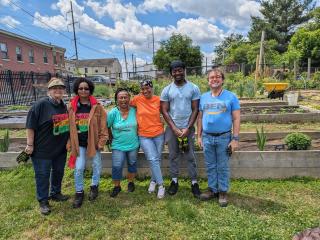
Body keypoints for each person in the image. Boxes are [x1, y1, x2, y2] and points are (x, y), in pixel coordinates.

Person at [25, 77, 70, 215]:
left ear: (64, 91)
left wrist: (68, 141)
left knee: (58, 172)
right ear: (49, 91)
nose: (58, 90)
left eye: (61, 88)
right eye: (54, 88)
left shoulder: (62, 105)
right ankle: (43, 201)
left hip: (60, 149)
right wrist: (30, 144)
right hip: (42, 150)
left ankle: (56, 193)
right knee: (42, 175)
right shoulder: (40, 105)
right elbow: (30, 126)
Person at [197, 68, 240, 207]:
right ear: (208, 81)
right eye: (211, 77)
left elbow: (236, 118)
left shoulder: (231, 97)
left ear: (222, 80)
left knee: (222, 166)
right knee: (210, 165)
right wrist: (199, 136)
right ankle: (212, 189)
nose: (214, 79)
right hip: (207, 137)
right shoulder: (203, 97)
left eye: (217, 77)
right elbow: (200, 117)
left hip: (224, 137)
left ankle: (222, 191)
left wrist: (235, 139)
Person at [160, 60, 201, 198]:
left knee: (190, 156)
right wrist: (174, 128)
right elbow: (164, 111)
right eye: (174, 71)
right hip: (172, 129)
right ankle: (174, 181)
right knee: (173, 155)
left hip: (188, 128)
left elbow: (195, 109)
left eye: (179, 70)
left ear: (184, 70)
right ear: (171, 73)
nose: (177, 73)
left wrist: (188, 128)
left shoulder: (194, 88)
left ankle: (194, 182)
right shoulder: (167, 90)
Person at [67, 78, 108, 208]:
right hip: (78, 143)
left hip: (94, 142)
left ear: (90, 90)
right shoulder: (71, 106)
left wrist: (101, 142)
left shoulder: (97, 107)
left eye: (86, 88)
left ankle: (94, 186)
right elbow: (67, 126)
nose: (83, 90)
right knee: (79, 168)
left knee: (96, 165)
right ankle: (79, 192)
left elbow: (103, 126)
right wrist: (69, 142)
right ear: (76, 90)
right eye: (81, 88)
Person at [130, 79, 165, 199]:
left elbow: (165, 112)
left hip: (159, 134)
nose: (145, 91)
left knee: (157, 159)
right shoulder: (137, 99)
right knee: (152, 159)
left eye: (147, 88)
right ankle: (161, 185)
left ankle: (153, 181)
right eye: (143, 89)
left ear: (152, 88)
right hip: (144, 135)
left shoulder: (158, 99)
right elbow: (126, 106)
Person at [107, 88, 139, 197]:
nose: (123, 99)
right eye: (121, 97)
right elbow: (107, 126)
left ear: (129, 98)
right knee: (117, 165)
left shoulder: (135, 111)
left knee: (132, 163)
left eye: (126, 97)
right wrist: (110, 138)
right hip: (118, 145)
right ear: (117, 99)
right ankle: (117, 186)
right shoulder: (113, 113)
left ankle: (131, 182)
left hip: (133, 144)